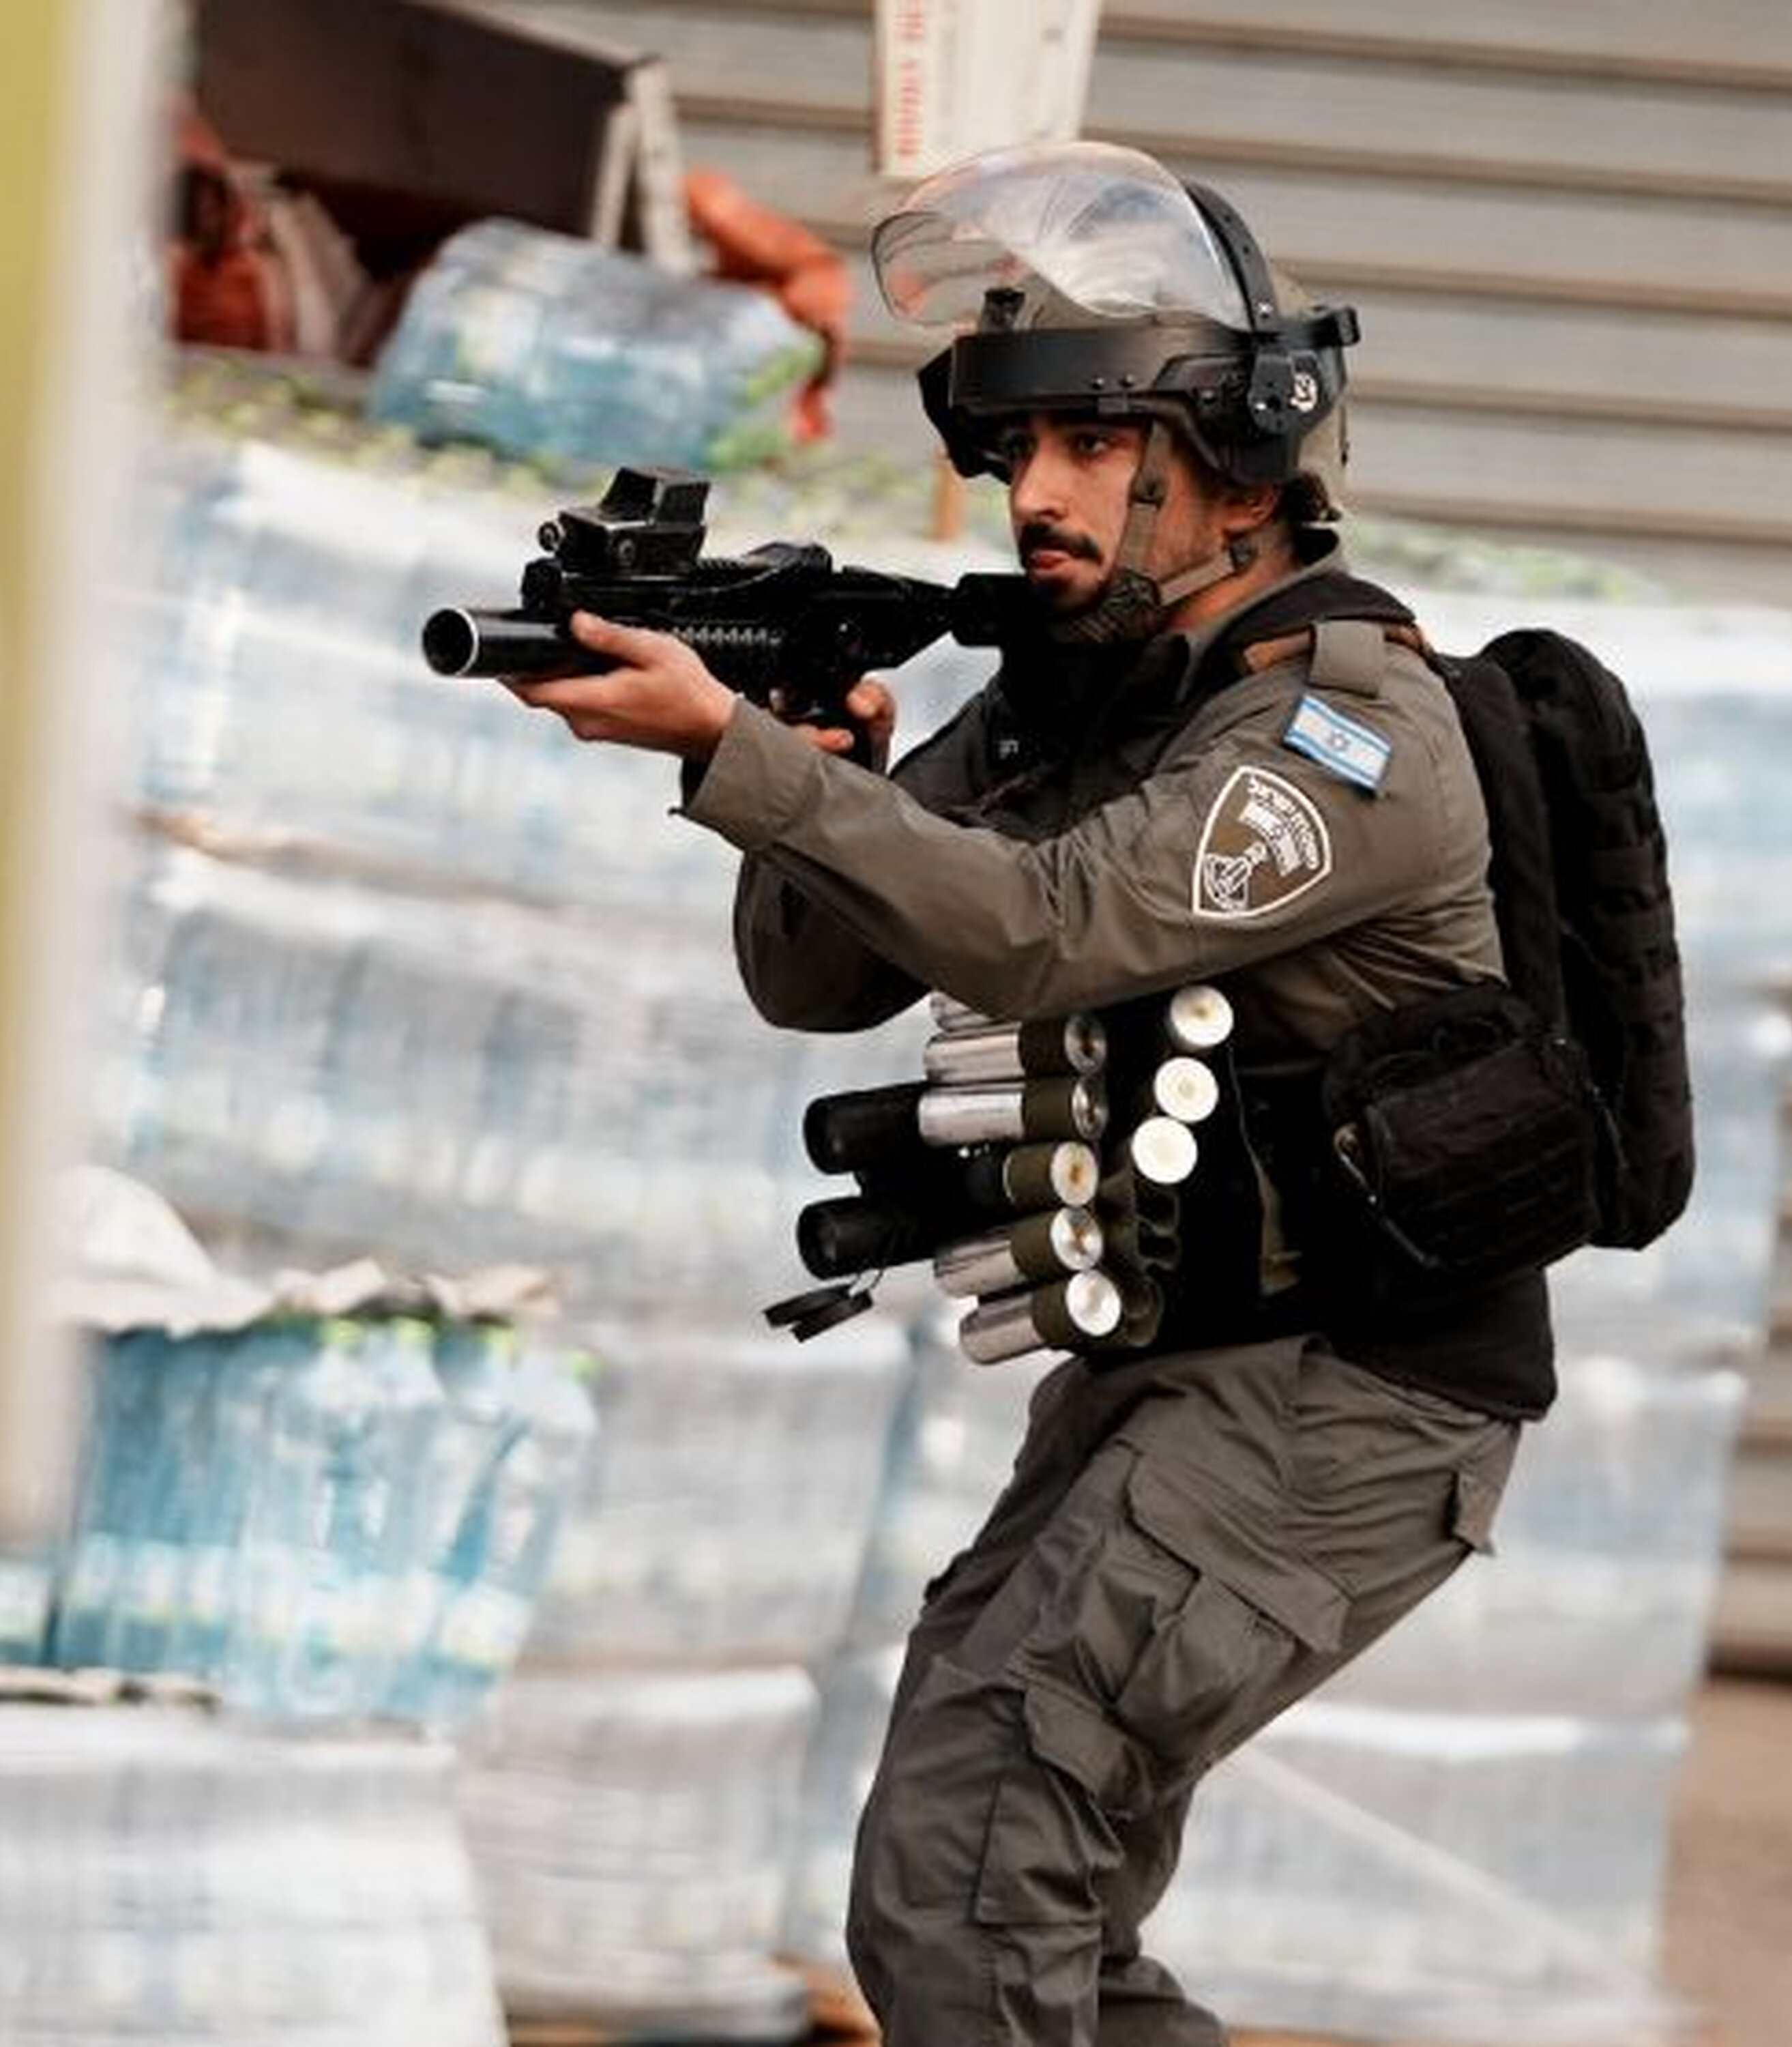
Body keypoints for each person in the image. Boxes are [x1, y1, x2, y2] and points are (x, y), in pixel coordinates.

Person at [500, 140, 1549, 2047]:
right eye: (1013, 452)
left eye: (1083, 445)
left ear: (1233, 452)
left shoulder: (1343, 724)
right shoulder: (1087, 683)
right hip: (1177, 1365)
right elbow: (815, 980)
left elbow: (1041, 934)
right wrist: (822, 770)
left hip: (1355, 1396)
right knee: (1024, 1903)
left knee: (970, 1859)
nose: (1029, 493)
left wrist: (752, 757)